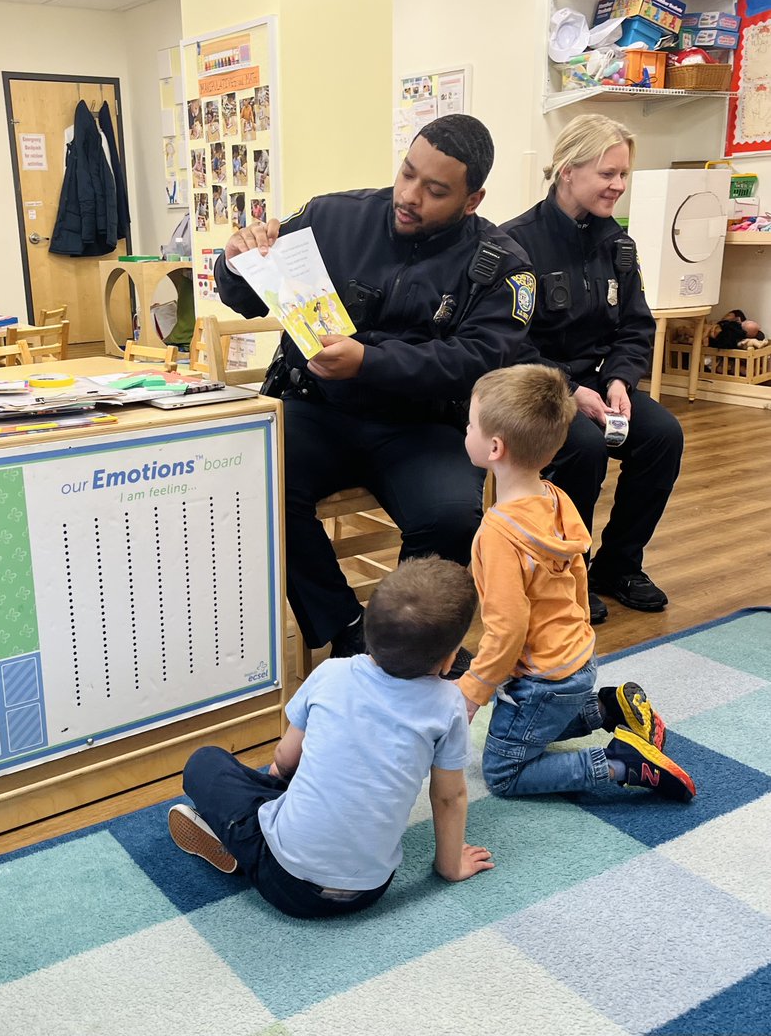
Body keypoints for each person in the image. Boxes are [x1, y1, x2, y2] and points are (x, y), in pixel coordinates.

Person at [214, 113, 537, 658]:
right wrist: (237, 258)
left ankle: (409, 641)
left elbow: (480, 360)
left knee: (450, 518)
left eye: (435, 190)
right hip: (316, 407)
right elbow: (246, 297)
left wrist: (369, 362)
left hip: (423, 426)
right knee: (254, 478)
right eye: (407, 173)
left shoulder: (503, 265)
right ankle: (348, 631)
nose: (410, 196)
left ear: (472, 200)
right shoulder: (331, 217)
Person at [168, 557, 495, 919]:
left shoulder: (332, 673)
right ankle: (262, 831)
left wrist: (277, 783)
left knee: (206, 763)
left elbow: (286, 758)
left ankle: (238, 845)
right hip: (369, 890)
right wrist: (451, 867)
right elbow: (450, 797)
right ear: (451, 660)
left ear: (367, 631)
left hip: (285, 881)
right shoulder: (448, 704)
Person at [458, 363, 696, 801]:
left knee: (503, 771)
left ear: (494, 447)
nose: (465, 430)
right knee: (522, 717)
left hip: (543, 679)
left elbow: (506, 629)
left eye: (469, 424)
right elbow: (578, 576)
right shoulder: (556, 496)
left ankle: (623, 763)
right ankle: (608, 707)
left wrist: (473, 691)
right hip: (577, 659)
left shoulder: (497, 533)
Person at [501, 113, 683, 625]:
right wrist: (571, 388)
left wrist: (621, 380)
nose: (618, 186)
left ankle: (619, 564)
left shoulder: (618, 246)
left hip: (599, 387)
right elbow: (509, 343)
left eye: (623, 174)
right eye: (608, 174)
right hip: (533, 389)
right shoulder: (515, 244)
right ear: (567, 171)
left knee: (662, 435)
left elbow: (635, 327)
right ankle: (566, 571)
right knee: (580, 447)